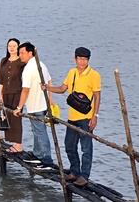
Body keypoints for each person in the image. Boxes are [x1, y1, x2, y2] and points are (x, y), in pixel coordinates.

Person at [44, 47, 101, 187]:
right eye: (80, 59)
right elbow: (63, 89)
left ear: (88, 60)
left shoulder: (94, 75)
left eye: (85, 59)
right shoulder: (72, 72)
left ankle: (84, 176)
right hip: (72, 117)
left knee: (86, 148)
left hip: (86, 117)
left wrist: (95, 116)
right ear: (75, 59)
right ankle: (75, 171)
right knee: (69, 145)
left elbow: (97, 96)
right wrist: (47, 88)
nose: (82, 62)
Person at [12, 42, 55, 171]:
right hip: (42, 104)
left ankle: (46, 159)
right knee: (37, 131)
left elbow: (25, 90)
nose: (20, 56)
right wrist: (50, 100)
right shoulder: (41, 65)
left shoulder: (29, 69)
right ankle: (37, 154)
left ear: (30, 53)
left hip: (36, 105)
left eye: (22, 53)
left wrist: (19, 108)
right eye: (19, 53)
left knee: (40, 132)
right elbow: (49, 82)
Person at [0, 38, 25, 153]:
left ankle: (18, 145)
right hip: (6, 93)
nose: (12, 48)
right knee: (7, 117)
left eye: (14, 46)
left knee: (16, 119)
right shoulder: (4, 61)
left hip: (17, 93)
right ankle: (13, 143)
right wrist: (0, 94)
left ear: (18, 47)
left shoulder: (22, 62)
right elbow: (1, 79)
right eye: (10, 46)